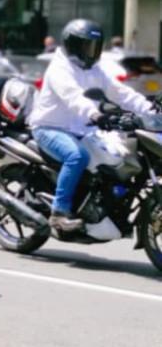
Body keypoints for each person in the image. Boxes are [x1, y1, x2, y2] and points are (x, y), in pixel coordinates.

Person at [27, 19, 153, 231]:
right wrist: (95, 114)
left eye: (95, 46)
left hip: (83, 130)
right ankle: (59, 213)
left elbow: (120, 92)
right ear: (73, 45)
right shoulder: (60, 69)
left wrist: (150, 110)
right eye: (86, 46)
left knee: (115, 157)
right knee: (77, 157)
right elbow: (73, 97)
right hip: (49, 128)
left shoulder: (95, 70)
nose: (91, 51)